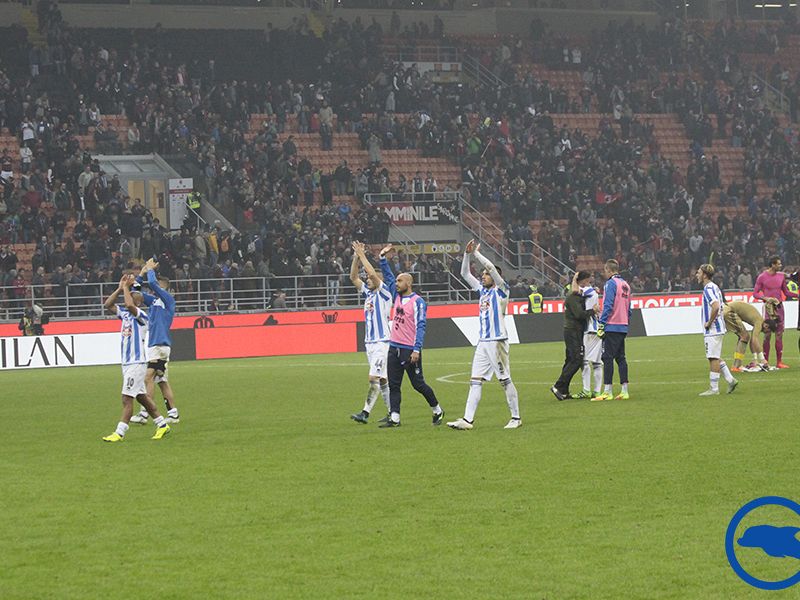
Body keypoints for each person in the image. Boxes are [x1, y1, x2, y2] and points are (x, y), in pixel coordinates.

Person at [447, 239, 521, 430]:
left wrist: (477, 254)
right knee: (475, 381)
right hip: (483, 342)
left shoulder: (502, 290)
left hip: (497, 341)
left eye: (486, 275)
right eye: (483, 275)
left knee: (504, 380)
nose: (483, 276)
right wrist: (466, 254)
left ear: (495, 277)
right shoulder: (482, 291)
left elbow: (491, 267)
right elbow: (464, 274)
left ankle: (516, 418)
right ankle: (467, 420)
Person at [378, 244, 444, 427]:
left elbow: (421, 326)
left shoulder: (418, 302)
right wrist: (382, 258)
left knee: (418, 385)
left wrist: (417, 349)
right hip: (394, 347)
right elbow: (388, 275)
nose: (396, 283)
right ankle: (395, 418)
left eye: (400, 281)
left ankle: (437, 409)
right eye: (396, 281)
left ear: (408, 283)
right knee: (394, 385)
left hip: (410, 350)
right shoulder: (396, 296)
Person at [102, 275, 171, 442]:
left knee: (127, 398)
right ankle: (162, 424)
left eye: (133, 295)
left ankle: (119, 433)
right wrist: (120, 288)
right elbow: (107, 305)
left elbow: (128, 304)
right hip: (127, 363)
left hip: (136, 363)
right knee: (142, 397)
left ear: (138, 302)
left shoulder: (142, 317)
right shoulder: (125, 315)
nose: (130, 296)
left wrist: (126, 287)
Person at [130, 258, 180, 425]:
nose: (157, 287)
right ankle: (173, 414)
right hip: (158, 345)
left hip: (158, 345)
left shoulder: (168, 300)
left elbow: (152, 283)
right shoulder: (154, 301)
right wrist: (141, 274)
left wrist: (150, 269)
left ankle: (144, 413)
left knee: (147, 378)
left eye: (160, 285)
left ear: (165, 287)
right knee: (161, 381)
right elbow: (135, 294)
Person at [349, 241, 392, 424]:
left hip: (382, 342)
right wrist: (356, 258)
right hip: (370, 343)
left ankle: (365, 413)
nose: (367, 279)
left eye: (370, 278)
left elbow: (373, 274)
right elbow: (353, 277)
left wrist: (363, 255)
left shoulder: (385, 293)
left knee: (373, 377)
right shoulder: (368, 294)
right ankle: (392, 413)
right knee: (382, 380)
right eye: (366, 278)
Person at [550, 271, 600, 401]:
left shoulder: (577, 294)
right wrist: (593, 310)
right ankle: (558, 385)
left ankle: (564, 390)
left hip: (574, 330)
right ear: (581, 281)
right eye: (587, 281)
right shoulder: (573, 296)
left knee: (570, 360)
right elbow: (579, 314)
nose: (588, 284)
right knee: (577, 360)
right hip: (573, 331)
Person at [696, 264, 738, 396]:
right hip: (718, 327)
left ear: (704, 275)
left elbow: (715, 306)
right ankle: (730, 380)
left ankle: (714, 389)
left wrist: (709, 322)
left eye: (699, 272)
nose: (697, 275)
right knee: (715, 356)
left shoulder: (708, 288)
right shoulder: (714, 286)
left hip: (713, 329)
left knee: (712, 358)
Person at [594, 259, 632, 401]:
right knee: (621, 358)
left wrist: (601, 324)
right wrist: (625, 322)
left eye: (605, 270)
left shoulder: (610, 283)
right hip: (623, 325)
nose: (604, 273)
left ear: (608, 270)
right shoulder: (625, 284)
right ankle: (624, 391)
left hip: (611, 325)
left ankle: (607, 391)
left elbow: (608, 305)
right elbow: (629, 309)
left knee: (607, 357)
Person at [753, 256, 798, 369]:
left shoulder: (781, 276)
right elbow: (755, 293)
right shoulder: (762, 277)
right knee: (767, 334)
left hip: (779, 307)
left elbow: (786, 292)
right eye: (778, 264)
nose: (780, 265)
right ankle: (765, 362)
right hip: (768, 308)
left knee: (779, 334)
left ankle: (779, 362)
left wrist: (797, 295)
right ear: (772, 265)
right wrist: (766, 298)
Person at [577, 275, 604, 398]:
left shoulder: (588, 291)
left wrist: (574, 280)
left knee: (584, 361)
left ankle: (586, 390)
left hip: (589, 329)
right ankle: (597, 391)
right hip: (596, 329)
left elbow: (575, 292)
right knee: (597, 362)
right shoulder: (592, 291)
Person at [722, 300, 768, 372]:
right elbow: (754, 340)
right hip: (729, 311)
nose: (765, 332)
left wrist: (755, 358)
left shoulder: (758, 319)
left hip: (726, 309)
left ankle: (737, 365)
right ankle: (736, 366)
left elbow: (753, 340)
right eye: (767, 331)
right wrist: (762, 359)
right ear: (766, 326)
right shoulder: (760, 322)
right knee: (744, 336)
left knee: (744, 337)